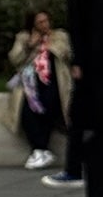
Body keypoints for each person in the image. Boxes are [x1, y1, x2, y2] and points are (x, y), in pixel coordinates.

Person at [6, 9, 72, 172]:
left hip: (53, 82)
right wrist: (30, 46)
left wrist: (48, 44)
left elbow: (66, 53)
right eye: (40, 22)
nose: (44, 25)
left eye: (46, 21)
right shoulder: (24, 37)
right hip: (30, 84)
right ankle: (40, 150)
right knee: (27, 113)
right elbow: (15, 59)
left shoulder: (59, 36)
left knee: (47, 109)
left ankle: (39, 151)